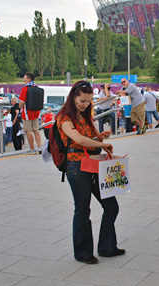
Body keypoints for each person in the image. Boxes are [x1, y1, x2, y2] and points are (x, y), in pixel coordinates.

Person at [57, 80, 125, 264]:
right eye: (83, 101)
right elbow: (79, 139)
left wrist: (99, 137)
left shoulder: (84, 116)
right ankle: (83, 253)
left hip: (94, 163)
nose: (85, 105)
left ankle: (107, 247)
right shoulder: (64, 118)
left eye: (89, 101)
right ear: (73, 97)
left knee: (111, 206)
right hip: (76, 167)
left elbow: (89, 139)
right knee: (82, 209)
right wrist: (101, 144)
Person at [18, 73, 42, 154]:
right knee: (36, 130)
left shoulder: (25, 89)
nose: (23, 80)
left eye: (24, 78)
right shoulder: (36, 87)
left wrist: (18, 106)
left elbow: (21, 102)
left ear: (28, 79)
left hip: (27, 113)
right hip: (36, 112)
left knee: (28, 130)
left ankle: (32, 148)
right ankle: (39, 147)